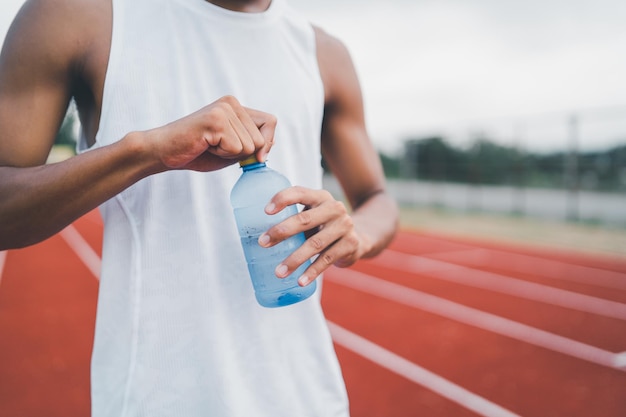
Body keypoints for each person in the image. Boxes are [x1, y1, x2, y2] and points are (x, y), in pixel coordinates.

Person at [0, 0, 398, 415]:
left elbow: (376, 197)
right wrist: (147, 151)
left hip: (309, 399)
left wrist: (357, 233)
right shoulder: (79, 15)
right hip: (157, 402)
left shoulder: (324, 53)